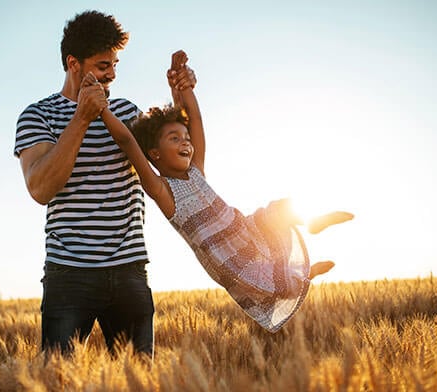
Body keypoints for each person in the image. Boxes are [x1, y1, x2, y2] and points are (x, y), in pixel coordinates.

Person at [98, 50, 354, 333]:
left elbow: (193, 118)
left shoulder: (196, 169)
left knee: (278, 210)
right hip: (227, 259)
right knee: (265, 279)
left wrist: (183, 87)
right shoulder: (162, 190)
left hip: (243, 227)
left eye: (185, 138)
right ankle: (304, 276)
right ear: (155, 154)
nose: (186, 142)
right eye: (175, 139)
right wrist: (101, 109)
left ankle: (311, 221)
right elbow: (127, 141)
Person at [13, 11, 194, 356]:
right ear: (73, 64)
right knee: (56, 380)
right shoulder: (38, 115)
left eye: (114, 65)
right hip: (68, 273)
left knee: (140, 380)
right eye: (101, 66)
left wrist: (182, 94)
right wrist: (82, 118)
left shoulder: (127, 112)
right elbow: (40, 188)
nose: (111, 75)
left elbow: (177, 157)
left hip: (129, 270)